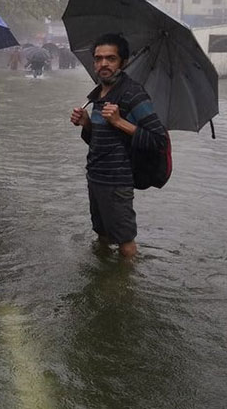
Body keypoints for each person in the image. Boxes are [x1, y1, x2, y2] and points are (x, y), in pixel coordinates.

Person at [69, 33, 167, 258]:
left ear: (123, 62)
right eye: (98, 58)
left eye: (110, 58)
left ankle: (124, 289)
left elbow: (158, 139)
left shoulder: (133, 94)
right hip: (95, 177)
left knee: (125, 243)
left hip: (117, 181)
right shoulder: (99, 93)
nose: (103, 64)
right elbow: (98, 141)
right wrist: (86, 124)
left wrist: (120, 121)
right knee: (101, 234)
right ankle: (105, 277)